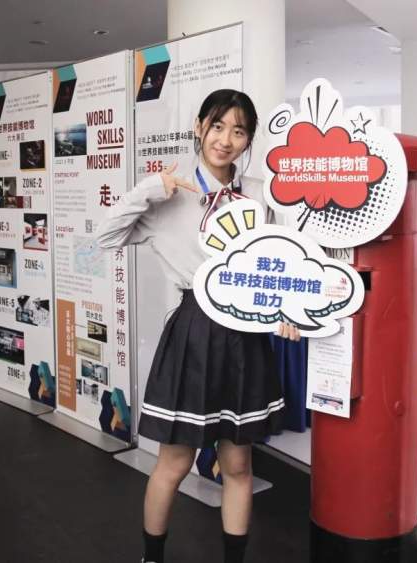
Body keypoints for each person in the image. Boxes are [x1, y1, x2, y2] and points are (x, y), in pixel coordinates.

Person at [96, 89, 300, 563]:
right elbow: (106, 236)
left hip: (246, 333)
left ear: (248, 139)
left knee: (238, 463)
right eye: (217, 126)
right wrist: (150, 189)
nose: (225, 140)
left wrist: (287, 308)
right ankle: (152, 558)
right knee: (174, 462)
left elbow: (281, 261)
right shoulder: (169, 192)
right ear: (199, 127)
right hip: (195, 329)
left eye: (238, 131)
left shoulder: (260, 193)